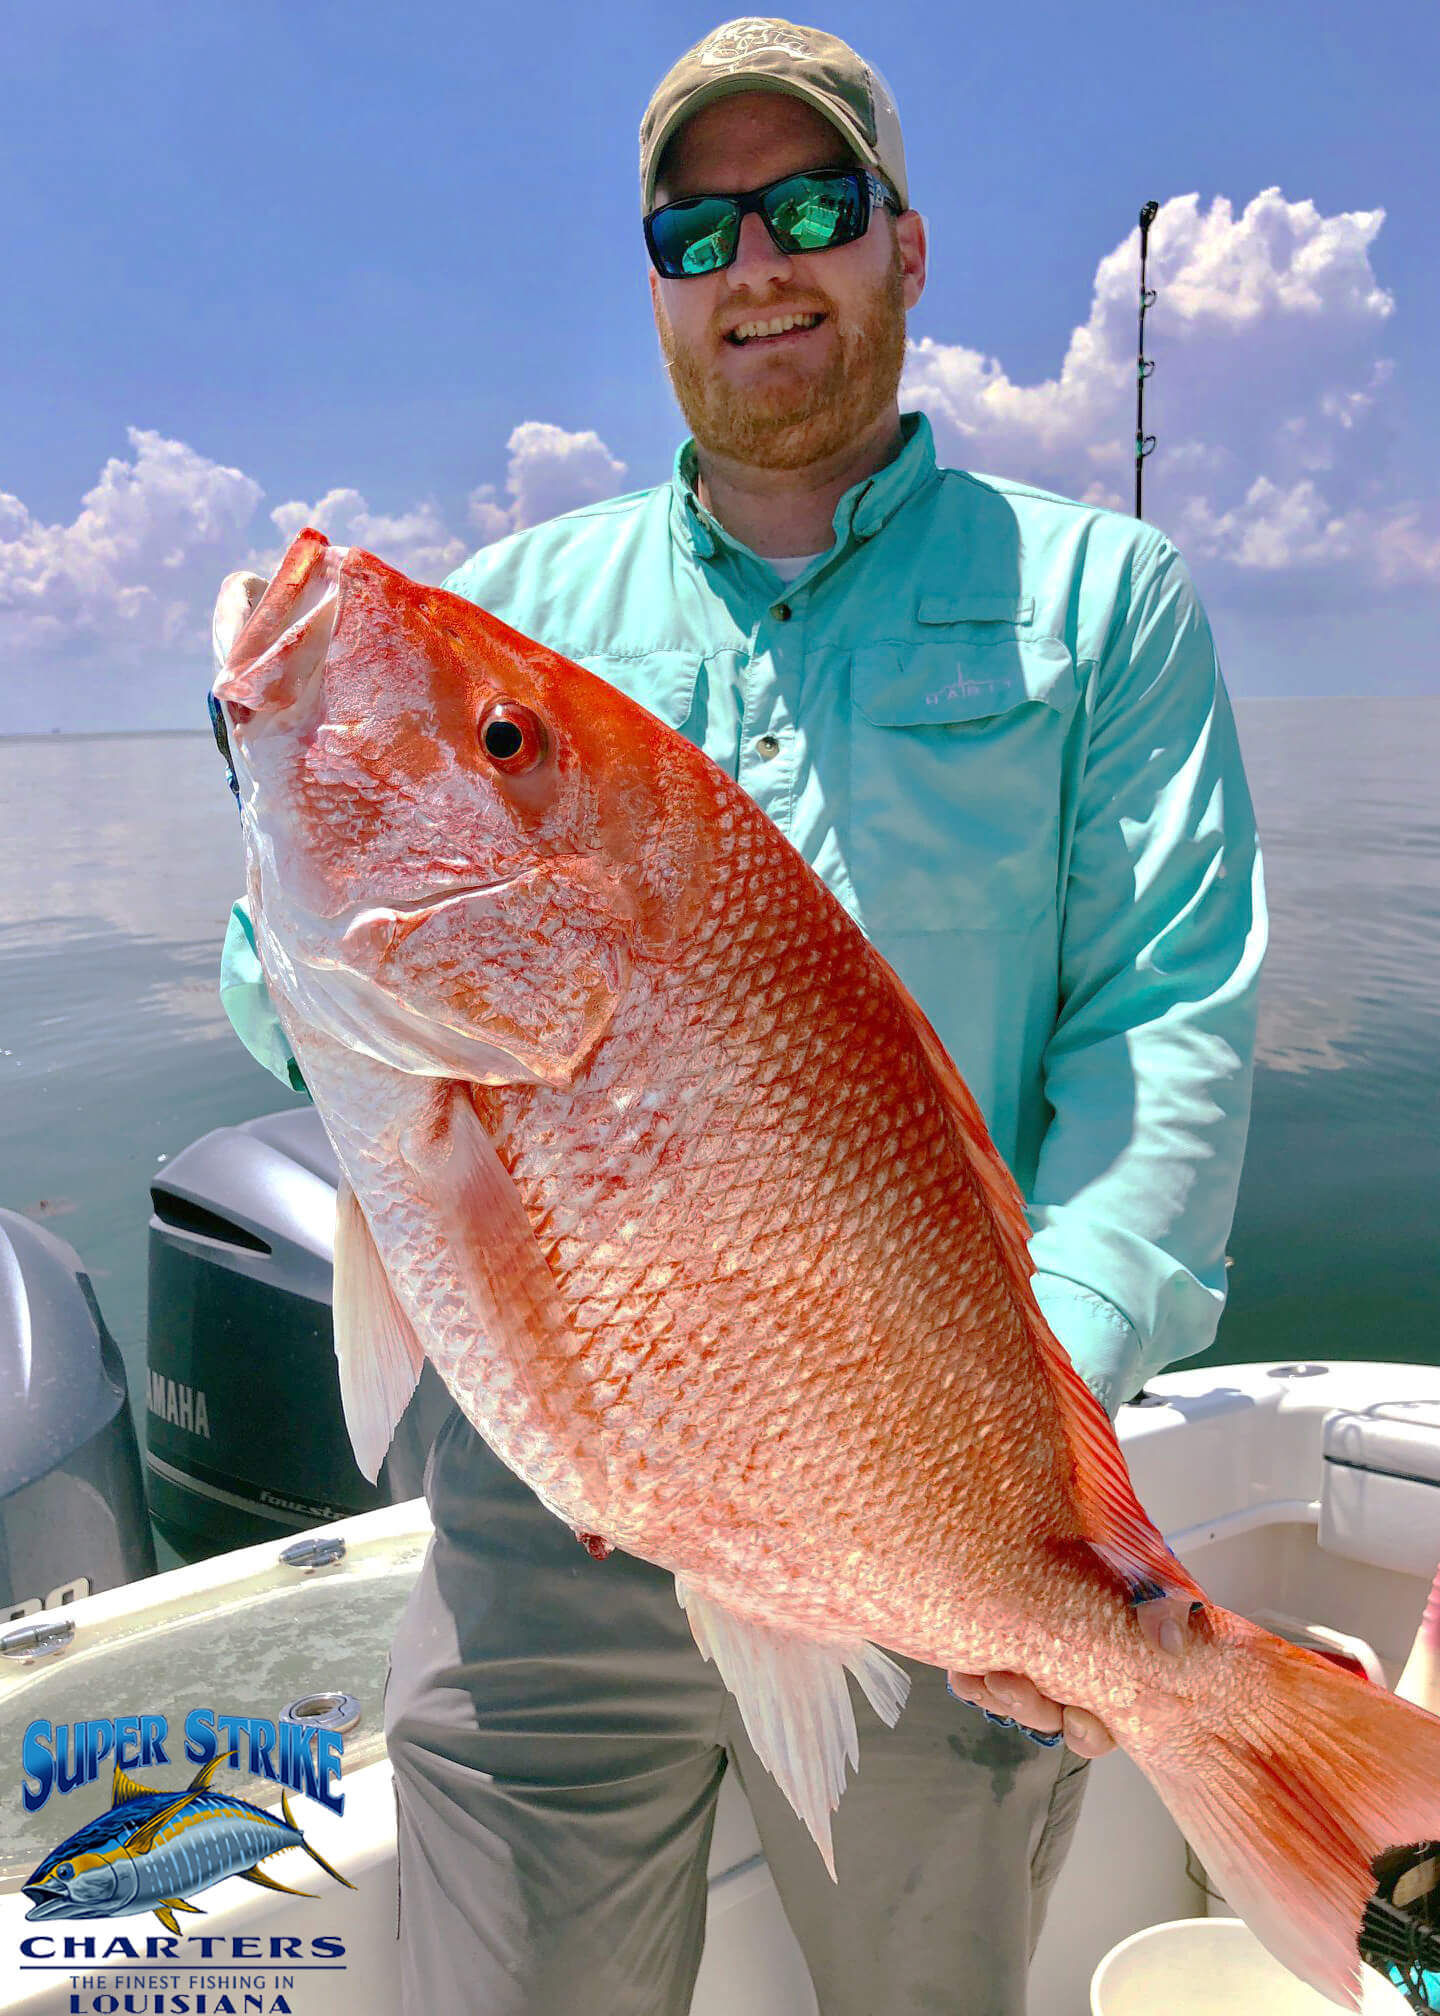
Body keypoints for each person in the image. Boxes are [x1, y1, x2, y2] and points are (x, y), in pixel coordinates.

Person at [217, 17, 1265, 2013]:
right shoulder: (516, 606)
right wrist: (288, 849)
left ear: (906, 247)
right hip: (548, 1502)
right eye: (699, 228)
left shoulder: (1106, 598)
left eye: (811, 207)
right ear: (655, 282)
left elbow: (1169, 1033)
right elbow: (285, 1007)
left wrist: (1030, 1479)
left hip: (922, 1477)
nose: (757, 265)